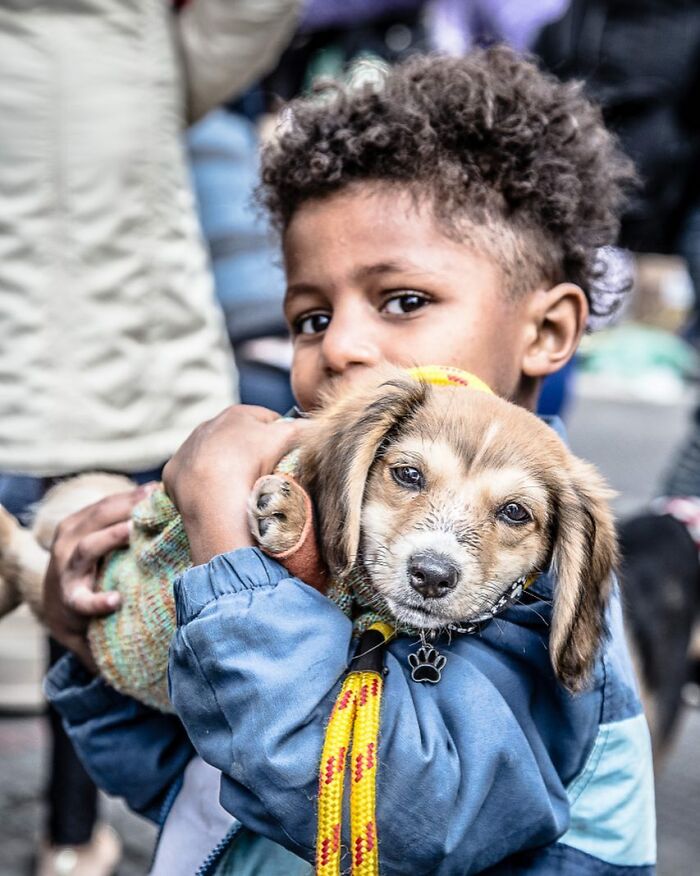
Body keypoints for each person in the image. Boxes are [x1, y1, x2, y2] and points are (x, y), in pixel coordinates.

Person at [43, 49, 654, 874]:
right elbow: (202, 786)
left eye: (403, 301)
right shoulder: (333, 537)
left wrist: (226, 550)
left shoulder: (535, 578)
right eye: (309, 316)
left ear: (546, 332)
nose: (341, 347)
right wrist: (92, 632)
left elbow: (388, 818)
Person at [0, 1, 301, 873]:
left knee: (66, 583)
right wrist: (164, 59)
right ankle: (69, 840)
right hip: (134, 360)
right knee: (117, 585)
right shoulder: (130, 45)